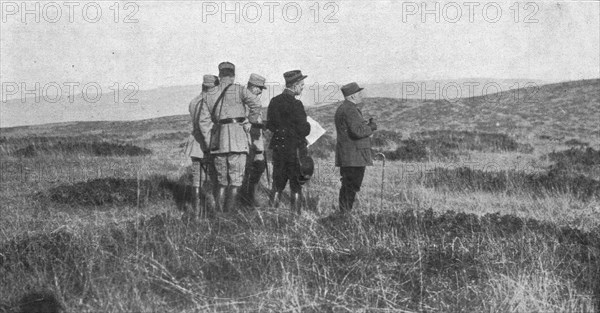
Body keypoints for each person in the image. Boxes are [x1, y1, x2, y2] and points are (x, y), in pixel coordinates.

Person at [198, 62, 262, 212]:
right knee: (236, 181)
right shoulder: (240, 90)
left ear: (219, 75)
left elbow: (203, 122)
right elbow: (256, 104)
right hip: (238, 142)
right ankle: (229, 219)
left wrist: (209, 142)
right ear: (233, 75)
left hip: (218, 144)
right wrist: (250, 121)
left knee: (221, 182)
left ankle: (218, 218)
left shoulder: (209, 94)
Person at [266, 70, 311, 214]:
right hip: (294, 151)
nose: (303, 87)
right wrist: (309, 126)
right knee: (296, 185)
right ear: (295, 85)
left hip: (278, 149)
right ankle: (295, 219)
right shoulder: (296, 104)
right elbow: (304, 130)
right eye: (302, 85)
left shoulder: (274, 101)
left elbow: (271, 126)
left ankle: (271, 215)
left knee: (277, 185)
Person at [334, 82, 377, 213]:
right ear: (352, 96)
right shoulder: (351, 110)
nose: (361, 95)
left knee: (347, 185)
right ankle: (345, 215)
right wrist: (371, 127)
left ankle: (344, 214)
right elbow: (357, 131)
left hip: (348, 155)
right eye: (359, 93)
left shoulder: (342, 108)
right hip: (354, 156)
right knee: (351, 186)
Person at [185, 74, 219, 219]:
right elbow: (205, 126)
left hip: (194, 146)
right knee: (214, 179)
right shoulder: (211, 102)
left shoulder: (193, 102)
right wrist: (211, 147)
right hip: (207, 145)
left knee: (197, 181)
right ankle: (212, 213)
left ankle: (197, 213)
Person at [242, 73, 268, 207]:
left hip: (257, 144)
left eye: (261, 89)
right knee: (247, 172)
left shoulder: (254, 101)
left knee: (258, 168)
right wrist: (259, 125)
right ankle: (246, 200)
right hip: (248, 144)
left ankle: (250, 198)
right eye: (259, 88)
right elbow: (245, 122)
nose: (260, 91)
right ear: (251, 86)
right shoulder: (244, 101)